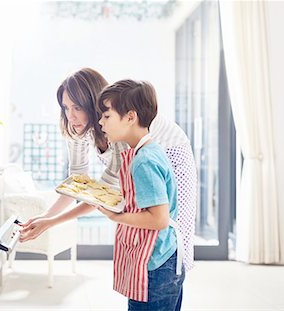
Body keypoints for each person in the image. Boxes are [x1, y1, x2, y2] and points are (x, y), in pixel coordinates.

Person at [20, 68, 196, 275]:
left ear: (93, 104)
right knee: (147, 232)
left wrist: (51, 222)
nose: (71, 116)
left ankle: (167, 281)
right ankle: (151, 279)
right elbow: (78, 181)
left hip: (174, 157)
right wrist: (45, 216)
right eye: (66, 108)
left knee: (171, 231)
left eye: (77, 107)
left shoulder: (119, 127)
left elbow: (101, 195)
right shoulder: (80, 128)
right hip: (142, 164)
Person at [97, 79, 184, 310]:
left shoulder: (143, 161)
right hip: (166, 259)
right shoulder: (148, 151)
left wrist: (116, 216)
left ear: (130, 117)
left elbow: (158, 219)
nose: (100, 122)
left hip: (156, 267)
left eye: (106, 116)